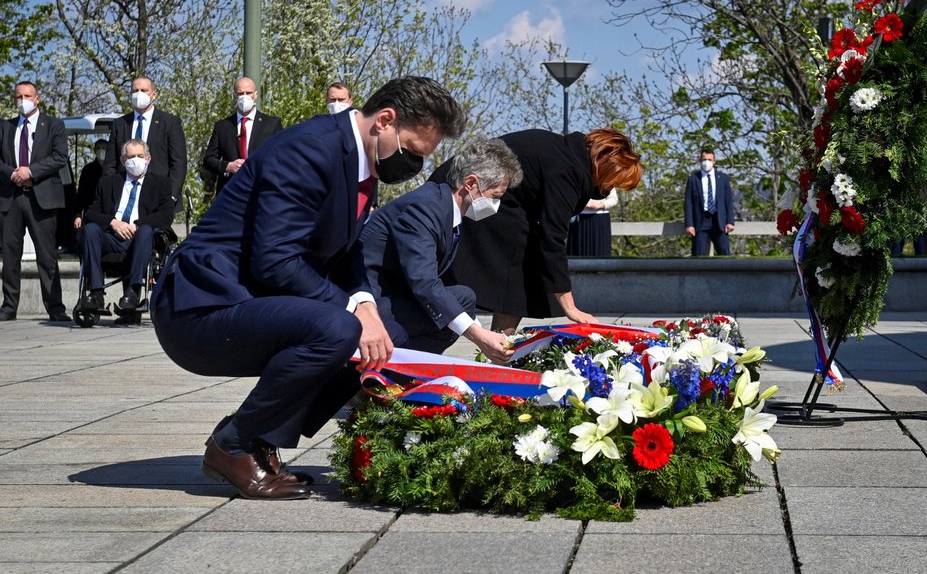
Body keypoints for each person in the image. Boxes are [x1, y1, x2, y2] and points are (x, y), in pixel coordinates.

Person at [151, 76, 465, 500]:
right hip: (201, 305)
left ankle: (262, 439)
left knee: (385, 336)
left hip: (247, 296)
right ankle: (233, 443)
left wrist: (366, 305)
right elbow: (276, 261)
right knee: (337, 330)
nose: (414, 166)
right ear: (385, 121)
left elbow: (347, 251)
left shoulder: (359, 160)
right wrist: (352, 315)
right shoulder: (312, 148)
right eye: (412, 152)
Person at [431, 128, 643, 335]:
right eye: (614, 180)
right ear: (603, 164)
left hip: (478, 191)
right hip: (461, 191)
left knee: (524, 265)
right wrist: (570, 307)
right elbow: (553, 237)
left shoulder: (567, 155)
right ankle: (496, 342)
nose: (610, 187)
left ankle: (501, 343)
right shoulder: (568, 170)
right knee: (521, 259)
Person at [361, 139, 522, 361]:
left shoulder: (444, 208)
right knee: (447, 312)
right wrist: (478, 336)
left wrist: (482, 331)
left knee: (463, 298)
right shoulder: (424, 209)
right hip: (369, 303)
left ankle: (411, 368)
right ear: (471, 183)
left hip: (394, 296)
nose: (496, 205)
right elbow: (424, 282)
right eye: (495, 196)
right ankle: (392, 372)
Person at [78, 140, 174, 317]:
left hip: (140, 240)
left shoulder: (161, 184)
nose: (135, 160)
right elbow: (92, 213)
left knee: (146, 231)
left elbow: (166, 215)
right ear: (123, 160)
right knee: (90, 230)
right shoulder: (107, 183)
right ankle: (96, 293)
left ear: (148, 158)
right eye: (131, 157)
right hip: (112, 237)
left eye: (140, 156)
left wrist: (137, 225)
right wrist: (114, 223)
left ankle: (132, 292)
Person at [0, 81, 71, 322]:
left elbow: (60, 156)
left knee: (46, 255)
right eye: (18, 96)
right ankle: (9, 306)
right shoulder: (5, 127)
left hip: (41, 198)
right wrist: (12, 173)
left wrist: (30, 171)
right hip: (11, 197)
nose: (23, 100)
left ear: (37, 99)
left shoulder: (53, 125)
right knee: (10, 255)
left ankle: (55, 307)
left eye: (27, 96)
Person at [104, 75, 187, 211]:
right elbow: (110, 164)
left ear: (154, 95)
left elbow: (179, 164)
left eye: (143, 90)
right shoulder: (120, 124)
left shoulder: (170, 123)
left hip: (159, 197)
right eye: (135, 91)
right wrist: (110, 195)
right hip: (124, 197)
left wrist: (171, 197)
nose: (139, 94)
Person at [203, 77, 283, 195]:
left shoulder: (271, 124)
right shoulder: (222, 126)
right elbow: (209, 160)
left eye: (248, 93)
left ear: (255, 95)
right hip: (231, 192)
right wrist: (228, 166)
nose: (244, 97)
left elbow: (281, 157)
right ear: (235, 95)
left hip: (262, 191)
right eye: (241, 93)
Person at [684, 147, 736, 256]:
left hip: (719, 222)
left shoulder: (723, 178)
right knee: (699, 257)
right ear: (700, 161)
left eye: (709, 159)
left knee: (725, 255)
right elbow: (688, 203)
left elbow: (728, 201)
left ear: (714, 161)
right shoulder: (693, 179)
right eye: (704, 159)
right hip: (701, 222)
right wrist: (689, 224)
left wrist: (730, 221)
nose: (706, 162)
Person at [567, 188, 618, 257]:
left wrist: (602, 204)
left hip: (601, 222)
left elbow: (613, 199)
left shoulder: (606, 178)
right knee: (578, 253)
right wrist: (585, 204)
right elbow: (570, 195)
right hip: (579, 222)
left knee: (601, 254)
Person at [73, 139, 110, 230]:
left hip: (109, 212)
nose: (101, 151)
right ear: (94, 151)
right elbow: (81, 194)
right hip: (90, 211)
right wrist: (78, 215)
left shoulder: (113, 169)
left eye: (104, 148)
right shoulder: (87, 169)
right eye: (98, 148)